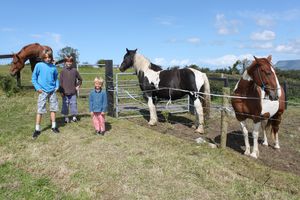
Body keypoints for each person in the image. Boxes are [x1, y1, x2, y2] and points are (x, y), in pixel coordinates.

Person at [31, 49, 60, 139]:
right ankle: (37, 129)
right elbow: (34, 78)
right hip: (42, 91)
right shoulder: (39, 65)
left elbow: (56, 78)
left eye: (49, 57)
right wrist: (37, 88)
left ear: (51, 58)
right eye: (45, 57)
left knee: (53, 109)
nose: (47, 59)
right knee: (40, 110)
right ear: (43, 58)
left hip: (52, 91)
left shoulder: (53, 67)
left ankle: (54, 126)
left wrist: (57, 86)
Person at [59, 56, 82, 123]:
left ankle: (74, 117)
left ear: (72, 62)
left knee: (73, 104)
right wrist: (61, 91)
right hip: (65, 92)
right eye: (67, 61)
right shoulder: (62, 71)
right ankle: (66, 118)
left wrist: (78, 86)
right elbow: (60, 82)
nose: (69, 63)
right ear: (65, 62)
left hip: (73, 92)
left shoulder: (75, 70)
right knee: (65, 105)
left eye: (70, 61)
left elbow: (80, 79)